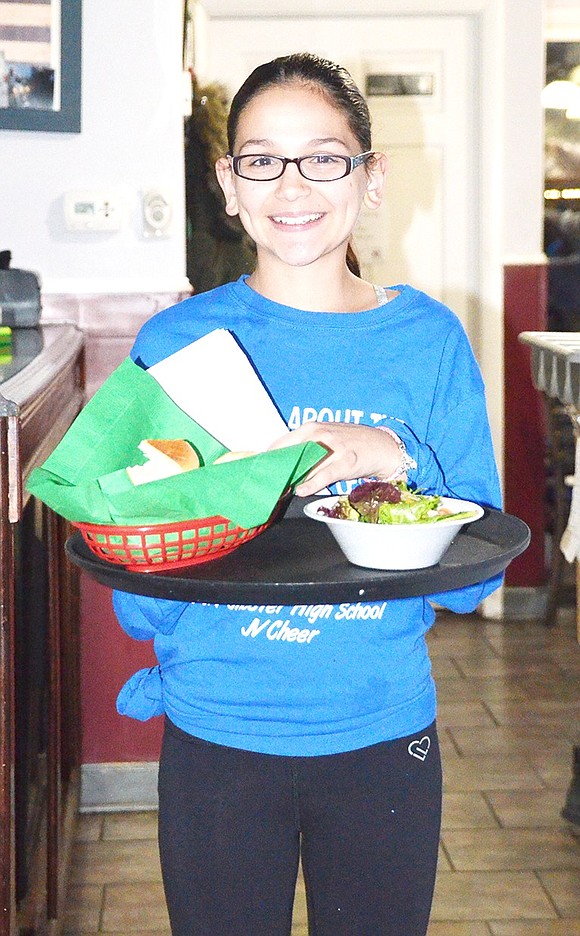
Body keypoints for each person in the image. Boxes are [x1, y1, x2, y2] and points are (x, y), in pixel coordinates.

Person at [113, 52, 502, 936]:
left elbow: (475, 583)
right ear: (228, 182)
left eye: (325, 156)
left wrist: (395, 455)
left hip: (382, 732)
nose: (292, 184)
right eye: (261, 158)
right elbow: (138, 590)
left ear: (371, 178)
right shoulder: (178, 340)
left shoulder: (428, 340)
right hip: (217, 734)